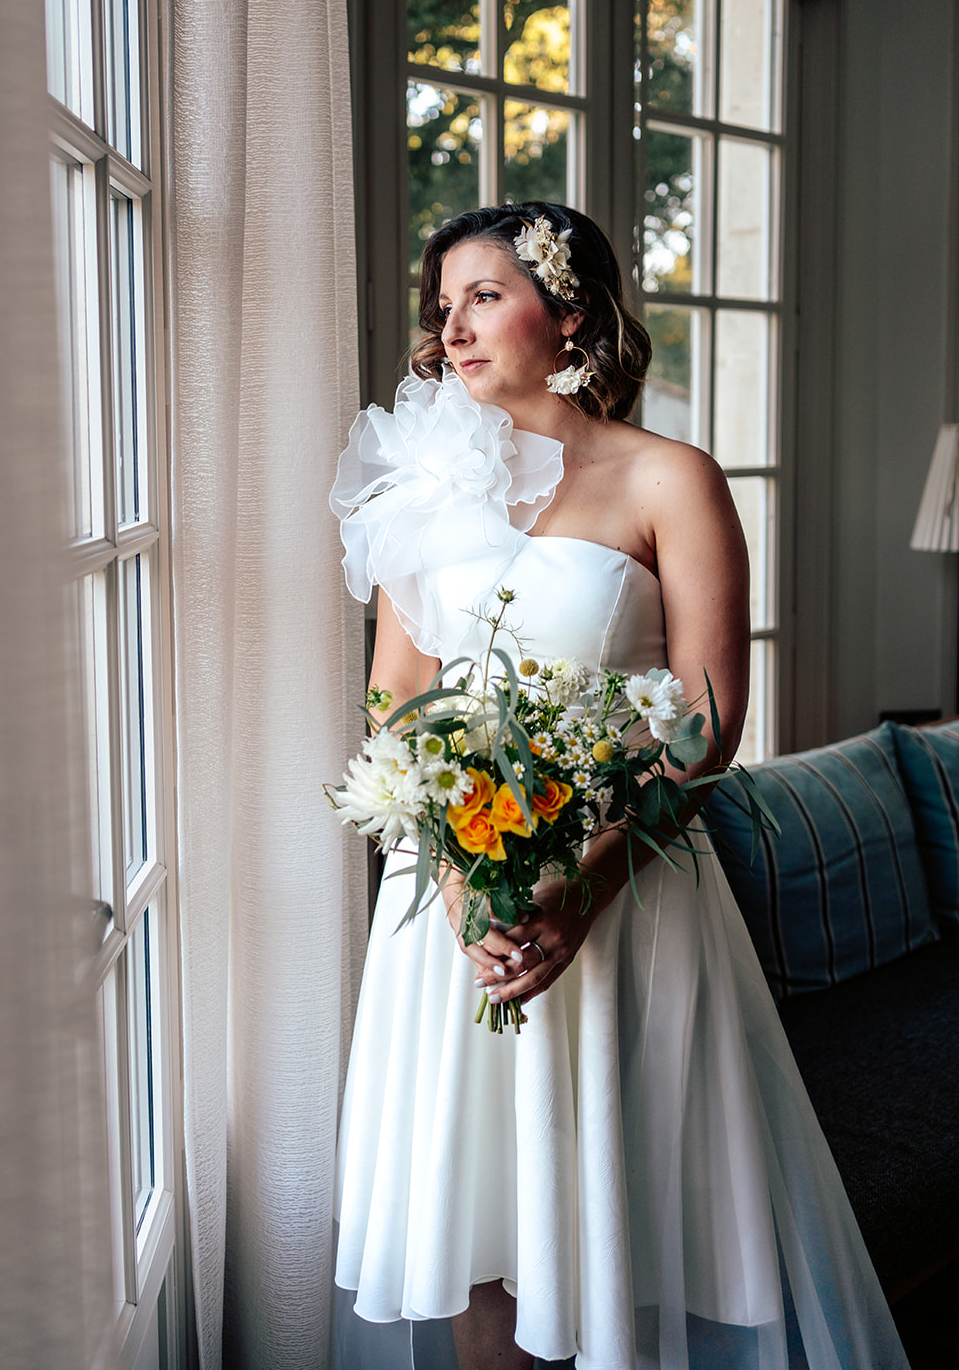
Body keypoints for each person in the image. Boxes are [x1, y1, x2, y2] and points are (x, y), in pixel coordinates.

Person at [329, 202, 909, 1370]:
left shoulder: (668, 478)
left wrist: (576, 893)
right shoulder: (418, 490)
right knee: (473, 1218)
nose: (451, 328)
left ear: (573, 312)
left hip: (626, 888)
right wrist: (458, 886)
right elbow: (395, 700)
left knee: (610, 1211)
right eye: (441, 307)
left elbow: (704, 720)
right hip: (455, 904)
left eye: (483, 295)